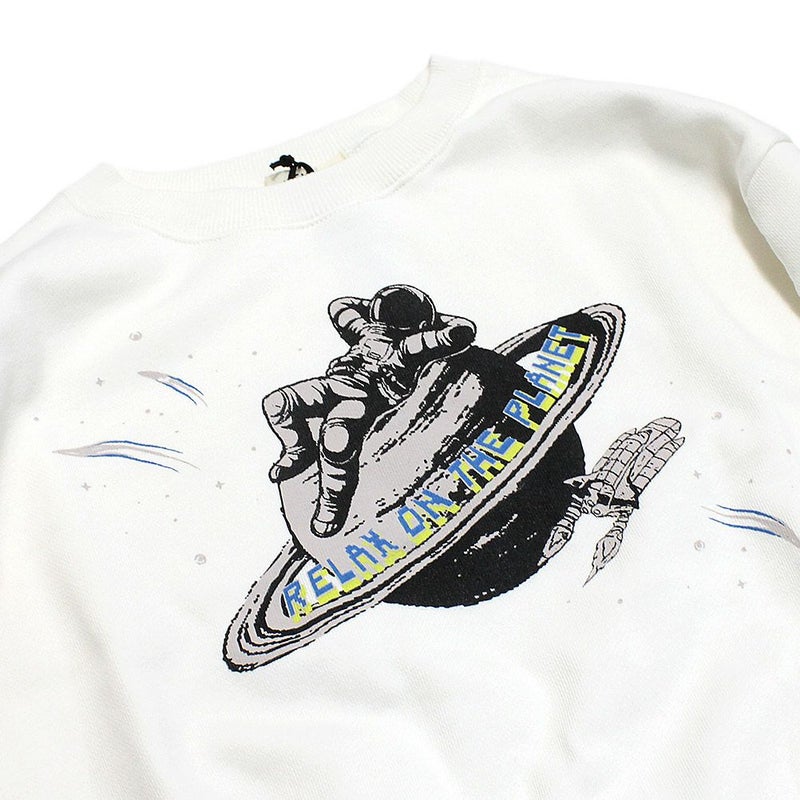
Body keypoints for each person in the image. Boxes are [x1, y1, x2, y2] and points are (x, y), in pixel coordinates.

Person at [262, 284, 476, 536]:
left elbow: (461, 332)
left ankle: (332, 503)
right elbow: (339, 306)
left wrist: (422, 323)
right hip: (336, 383)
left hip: (367, 397)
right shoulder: (366, 331)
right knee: (277, 403)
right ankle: (299, 449)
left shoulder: (411, 346)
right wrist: (380, 313)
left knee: (337, 439)